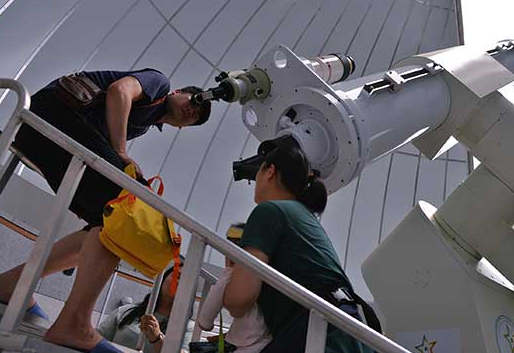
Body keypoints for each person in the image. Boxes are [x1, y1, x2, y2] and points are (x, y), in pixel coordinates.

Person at [0, 69, 212, 352]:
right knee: (127, 209)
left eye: (196, 117)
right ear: (177, 92)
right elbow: (119, 92)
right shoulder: (159, 83)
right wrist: (122, 153)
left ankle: (12, 284)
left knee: (106, 221)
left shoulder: (144, 123)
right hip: (54, 114)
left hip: (48, 133)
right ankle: (74, 323)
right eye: (195, 101)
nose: (192, 111)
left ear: (184, 128)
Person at [222, 145, 373, 353]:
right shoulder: (306, 219)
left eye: (259, 171)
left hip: (318, 335)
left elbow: (238, 300)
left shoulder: (268, 211)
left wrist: (228, 279)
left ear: (270, 172)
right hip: (347, 333)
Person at [196, 223, 271, 353]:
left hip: (245, 344)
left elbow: (206, 316)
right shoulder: (266, 277)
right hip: (264, 339)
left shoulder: (231, 274)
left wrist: (206, 324)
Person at [97, 265, 193, 353]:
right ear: (163, 278)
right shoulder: (127, 311)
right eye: (178, 276)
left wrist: (157, 338)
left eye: (186, 282)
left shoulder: (187, 327)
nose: (179, 282)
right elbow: (96, 339)